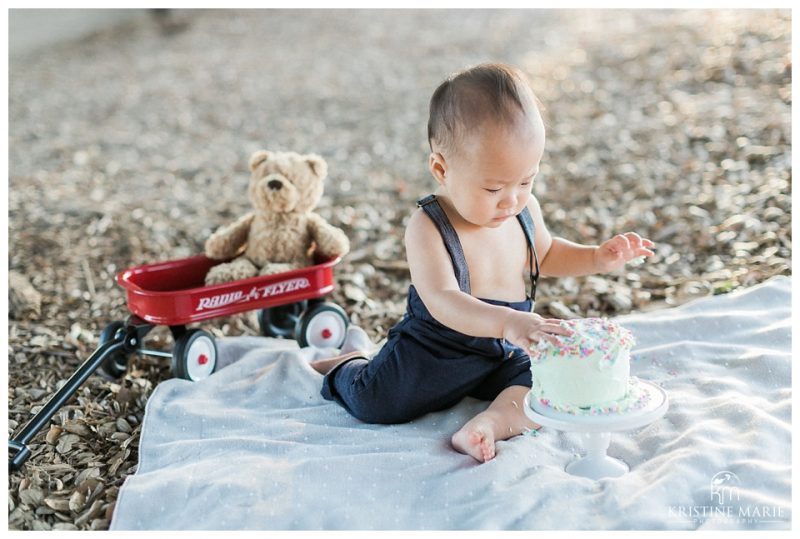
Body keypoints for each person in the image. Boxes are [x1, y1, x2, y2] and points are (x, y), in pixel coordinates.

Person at [312, 62, 655, 463]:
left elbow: (545, 254)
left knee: (548, 385)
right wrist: (507, 322)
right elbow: (442, 298)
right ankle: (347, 368)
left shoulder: (523, 212)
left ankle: (487, 425)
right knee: (380, 402)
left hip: (504, 350)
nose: (511, 200)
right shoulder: (428, 226)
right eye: (493, 187)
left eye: (526, 181)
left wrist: (596, 257)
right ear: (442, 169)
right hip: (435, 351)